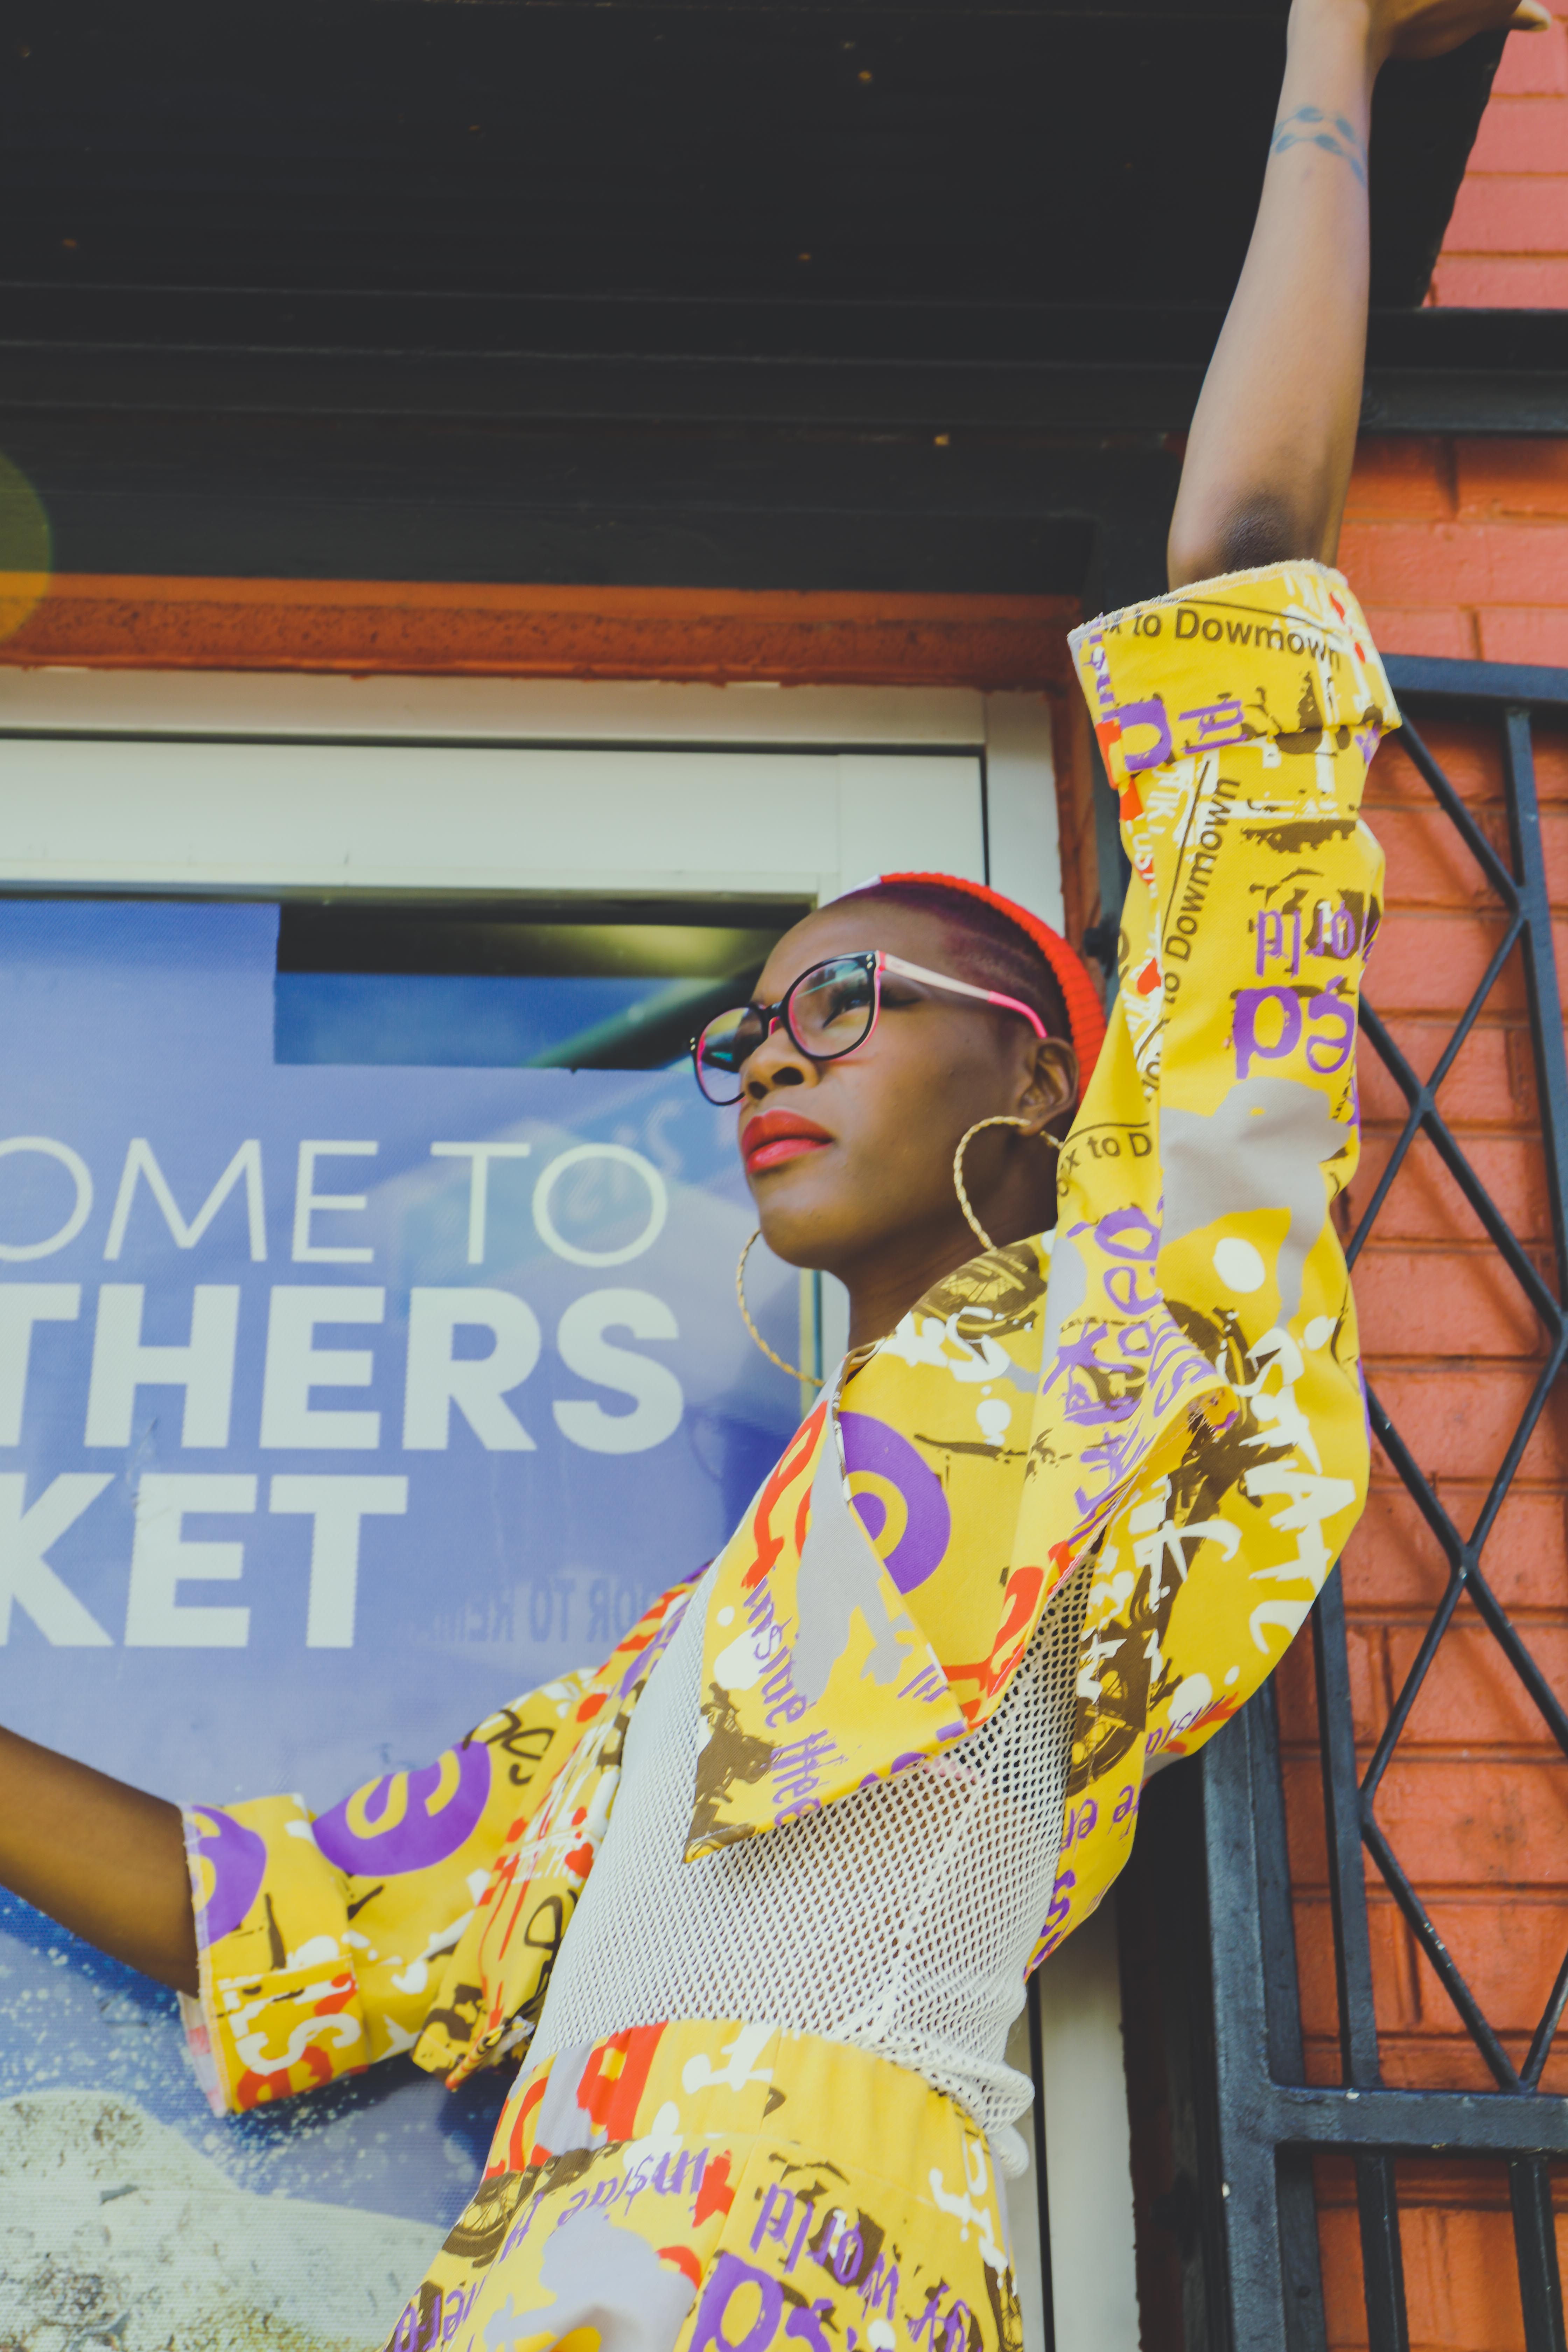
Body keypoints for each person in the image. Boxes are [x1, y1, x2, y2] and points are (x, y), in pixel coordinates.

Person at [0, 0, 1543, 2341]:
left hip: (811, 2273)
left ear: (1041, 1075)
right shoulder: (676, 1676)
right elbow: (275, 1925)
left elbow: (1243, 568)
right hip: (531, 2286)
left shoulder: (1124, 1338)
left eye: (846, 1004)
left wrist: (1328, 56)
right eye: (742, 1033)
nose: (765, 1066)